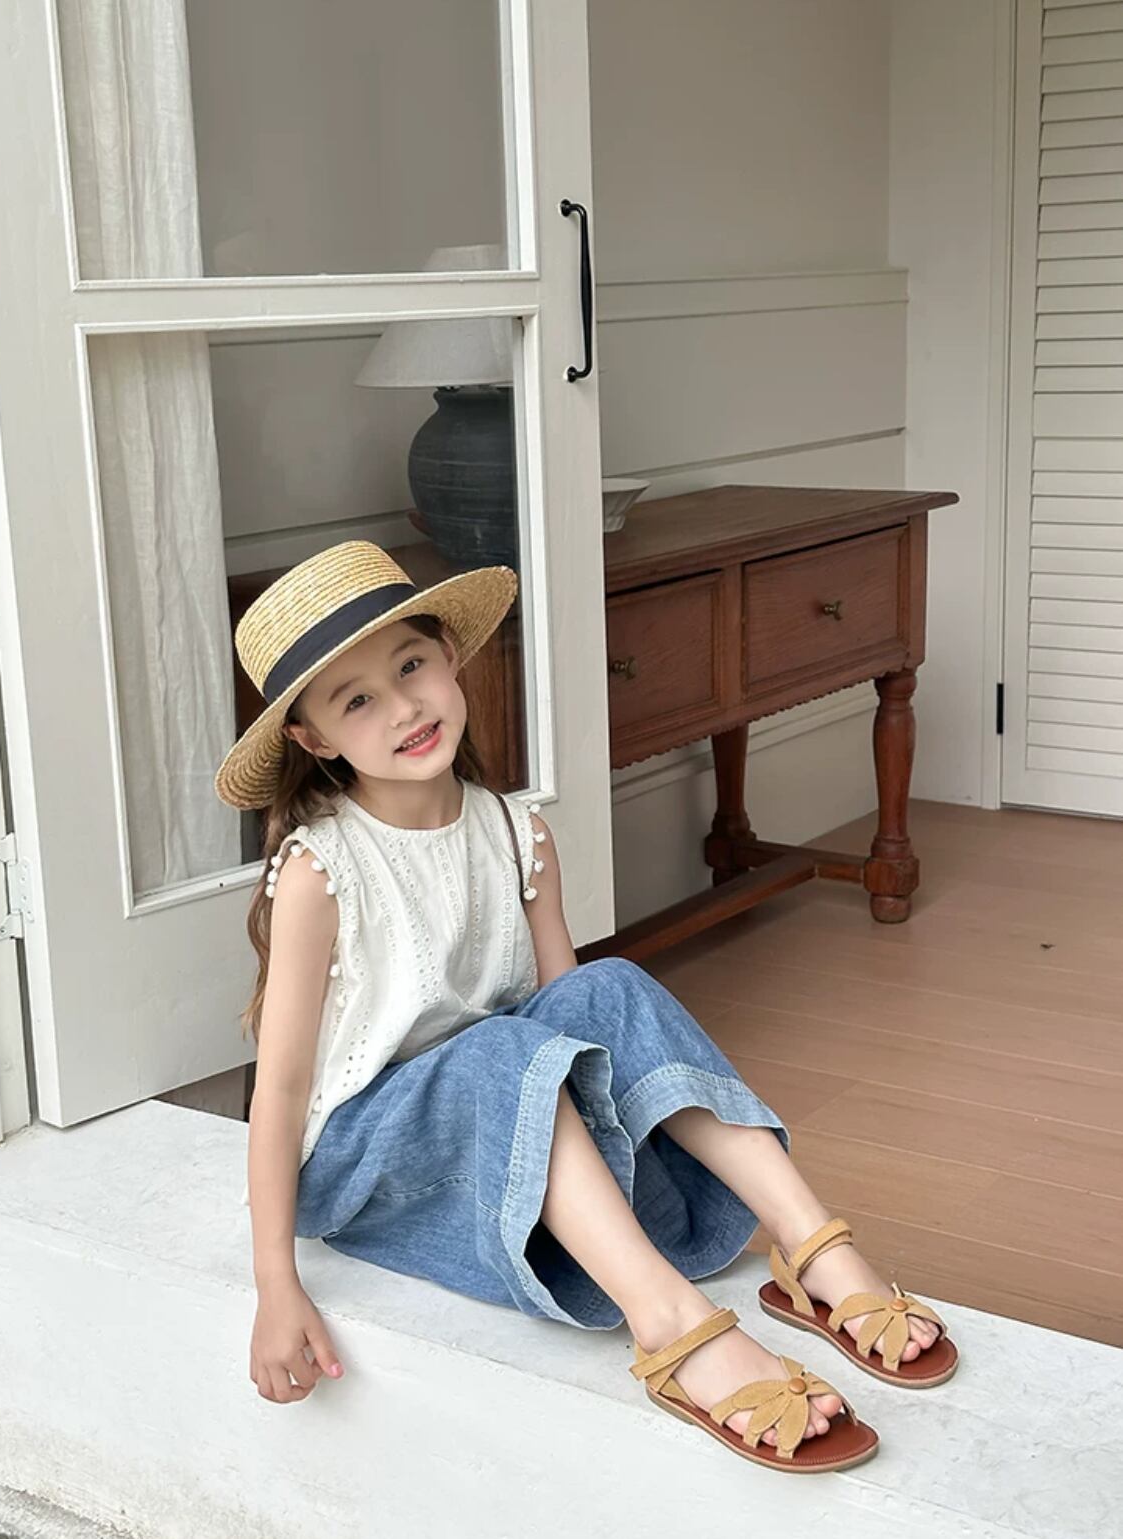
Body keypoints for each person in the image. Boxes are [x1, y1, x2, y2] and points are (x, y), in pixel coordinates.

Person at [214, 540, 957, 1474]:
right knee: (494, 1051)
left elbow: (572, 1021)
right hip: (375, 1159)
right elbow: (281, 1092)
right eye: (355, 700)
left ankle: (811, 1246)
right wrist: (274, 1283)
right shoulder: (322, 870)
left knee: (604, 986)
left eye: (411, 665)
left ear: (451, 657)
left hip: (506, 1117)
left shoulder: (516, 831)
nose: (403, 706)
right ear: (315, 740)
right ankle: (672, 1322)